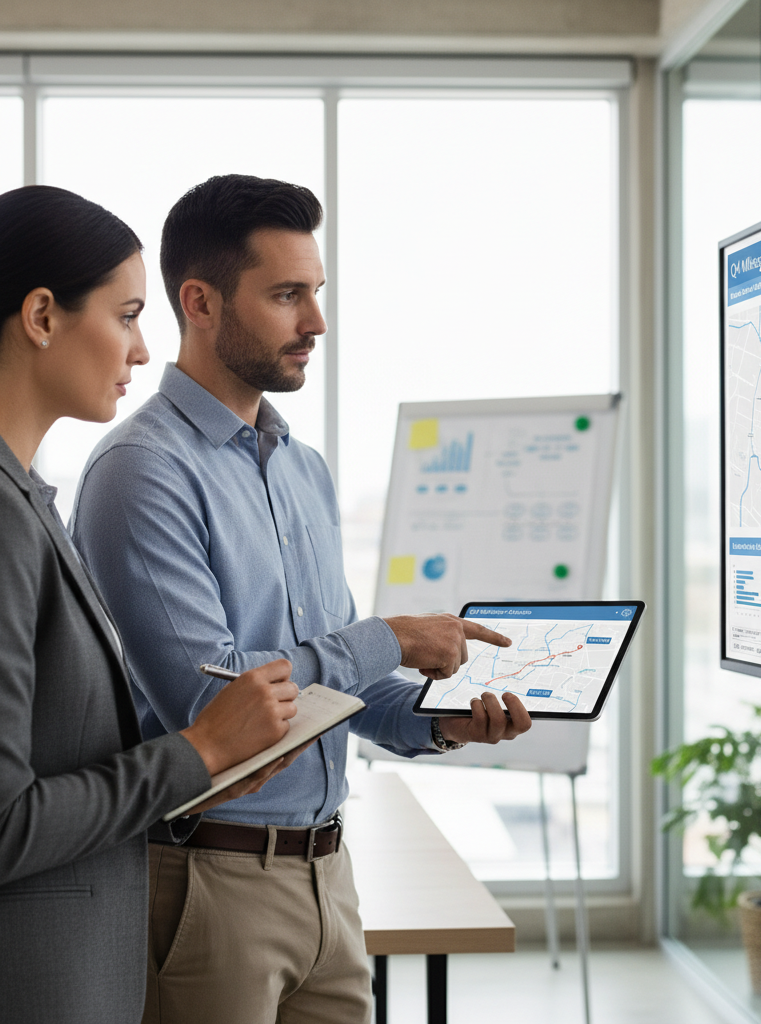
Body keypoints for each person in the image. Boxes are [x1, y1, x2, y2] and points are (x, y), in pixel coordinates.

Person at [71, 174, 532, 1024]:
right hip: (206, 884)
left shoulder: (303, 468)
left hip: (330, 878)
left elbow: (330, 692)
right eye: (287, 296)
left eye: (315, 294)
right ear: (200, 302)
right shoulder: (141, 472)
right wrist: (386, 638)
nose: (315, 323)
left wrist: (436, 720)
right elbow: (218, 703)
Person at [0, 185, 311, 1024]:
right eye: (128, 314)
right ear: (40, 316)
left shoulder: (31, 499)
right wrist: (199, 752)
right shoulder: (14, 515)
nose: (142, 351)